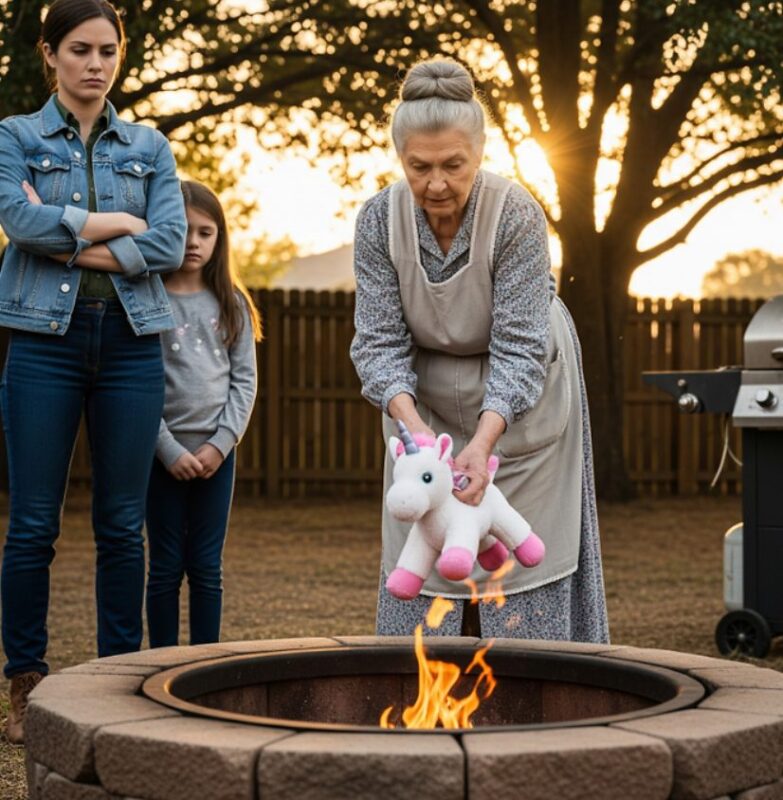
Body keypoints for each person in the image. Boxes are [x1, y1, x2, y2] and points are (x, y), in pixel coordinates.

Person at [350, 58, 609, 642]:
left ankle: (532, 690)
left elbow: (520, 346)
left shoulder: (516, 214)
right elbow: (378, 344)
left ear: (480, 152)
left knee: (523, 571)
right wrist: (418, 439)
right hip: (425, 410)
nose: (436, 183)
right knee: (424, 563)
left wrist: (484, 443)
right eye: (419, 167)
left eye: (453, 165)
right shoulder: (376, 222)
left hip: (525, 402)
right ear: (400, 159)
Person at [0, 0, 186, 744]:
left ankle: (114, 685)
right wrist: (114, 224)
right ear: (50, 55)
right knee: (33, 526)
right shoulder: (15, 136)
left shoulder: (149, 145)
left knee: (122, 525)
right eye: (79, 49)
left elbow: (171, 243)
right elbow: (18, 220)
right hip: (43, 341)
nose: (96, 64)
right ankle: (26, 684)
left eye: (108, 50)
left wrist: (67, 235)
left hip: (132, 346)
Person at [145, 181, 260, 648]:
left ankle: (202, 665)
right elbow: (138, 385)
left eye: (205, 232)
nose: (193, 242)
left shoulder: (232, 303)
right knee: (166, 565)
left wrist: (220, 444)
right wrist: (167, 449)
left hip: (217, 455)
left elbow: (244, 381)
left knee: (207, 566)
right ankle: (159, 665)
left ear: (220, 238)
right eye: (184, 230)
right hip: (160, 456)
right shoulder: (147, 300)